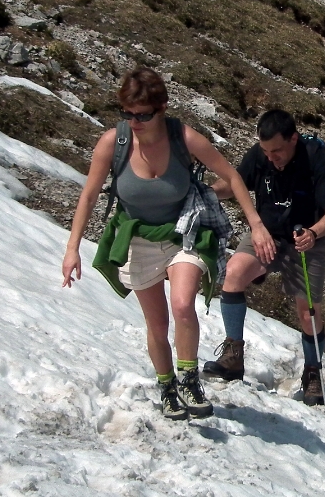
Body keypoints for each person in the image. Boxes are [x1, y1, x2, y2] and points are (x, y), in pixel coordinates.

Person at [61, 67, 276, 421]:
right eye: (128, 114)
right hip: (138, 239)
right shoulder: (113, 143)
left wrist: (256, 225)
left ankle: (190, 379)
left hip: (184, 233)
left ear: (162, 108)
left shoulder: (183, 139)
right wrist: (72, 249)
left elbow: (233, 176)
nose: (135, 122)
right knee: (157, 324)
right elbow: (88, 196)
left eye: (143, 115)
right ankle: (167, 387)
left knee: (181, 305)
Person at [204, 109, 325, 406]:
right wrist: (208, 192)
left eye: (277, 150)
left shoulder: (314, 159)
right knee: (233, 274)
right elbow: (236, 184)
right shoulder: (260, 155)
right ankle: (233, 358)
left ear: (294, 139)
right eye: (266, 151)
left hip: (307, 241)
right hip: (266, 235)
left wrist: (314, 233)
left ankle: (312, 372)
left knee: (307, 309)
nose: (271, 157)